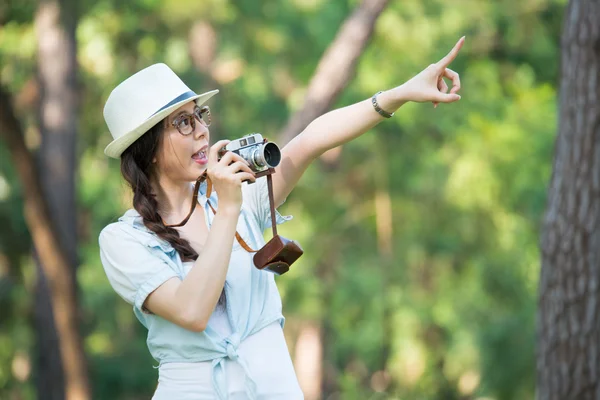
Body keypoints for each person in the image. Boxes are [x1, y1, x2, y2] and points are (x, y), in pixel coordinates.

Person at [98, 36, 465, 400]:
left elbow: (311, 140)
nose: (201, 130)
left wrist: (398, 94)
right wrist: (228, 208)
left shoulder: (238, 200)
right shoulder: (124, 240)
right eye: (181, 122)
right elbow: (192, 311)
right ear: (149, 150)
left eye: (199, 115)